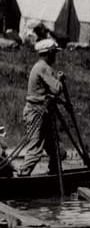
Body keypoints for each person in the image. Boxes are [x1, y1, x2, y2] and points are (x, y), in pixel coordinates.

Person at [17, 39, 66, 176]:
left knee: (58, 150)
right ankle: (22, 175)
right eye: (54, 53)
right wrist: (60, 80)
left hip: (43, 113)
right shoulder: (43, 67)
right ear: (49, 53)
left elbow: (49, 90)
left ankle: (54, 174)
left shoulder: (40, 66)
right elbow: (56, 89)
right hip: (36, 114)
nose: (55, 56)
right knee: (35, 150)